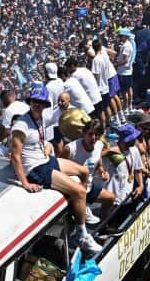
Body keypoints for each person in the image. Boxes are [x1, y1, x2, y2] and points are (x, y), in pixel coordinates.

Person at [9, 85, 102, 255]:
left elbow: (43, 136)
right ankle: (82, 234)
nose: (38, 104)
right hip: (36, 169)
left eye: (41, 102)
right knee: (80, 191)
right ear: (30, 102)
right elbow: (15, 156)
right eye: (35, 101)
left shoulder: (41, 118)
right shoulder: (21, 125)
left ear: (44, 104)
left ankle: (82, 209)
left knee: (85, 172)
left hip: (45, 160)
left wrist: (47, 145)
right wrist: (25, 183)